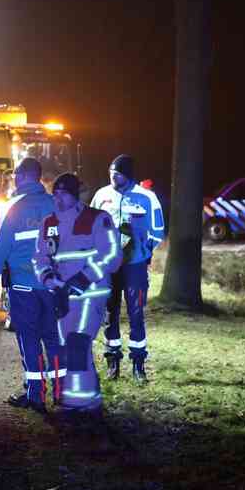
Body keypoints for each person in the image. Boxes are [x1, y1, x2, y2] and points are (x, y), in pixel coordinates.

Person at [32, 173, 122, 412]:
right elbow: (40, 257)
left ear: (75, 194)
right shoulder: (48, 223)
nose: (59, 199)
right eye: (56, 194)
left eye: (64, 194)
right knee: (70, 346)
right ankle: (86, 397)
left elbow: (112, 255)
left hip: (91, 292)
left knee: (78, 342)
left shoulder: (96, 219)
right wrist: (48, 277)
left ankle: (79, 403)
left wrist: (84, 277)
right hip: (62, 293)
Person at [0, 157, 60, 413]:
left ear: (22, 176)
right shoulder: (55, 204)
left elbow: (1, 248)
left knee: (29, 338)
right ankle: (61, 391)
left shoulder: (13, 206)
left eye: (16, 175)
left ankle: (36, 395)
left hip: (23, 286)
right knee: (52, 337)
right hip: (51, 284)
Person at [90, 154, 165, 381]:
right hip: (109, 266)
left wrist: (143, 251)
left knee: (136, 313)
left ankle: (138, 364)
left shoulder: (147, 198)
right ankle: (113, 361)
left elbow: (158, 230)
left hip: (135, 266)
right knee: (110, 313)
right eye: (111, 172)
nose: (113, 176)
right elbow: (91, 226)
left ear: (128, 174)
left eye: (118, 173)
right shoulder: (101, 196)